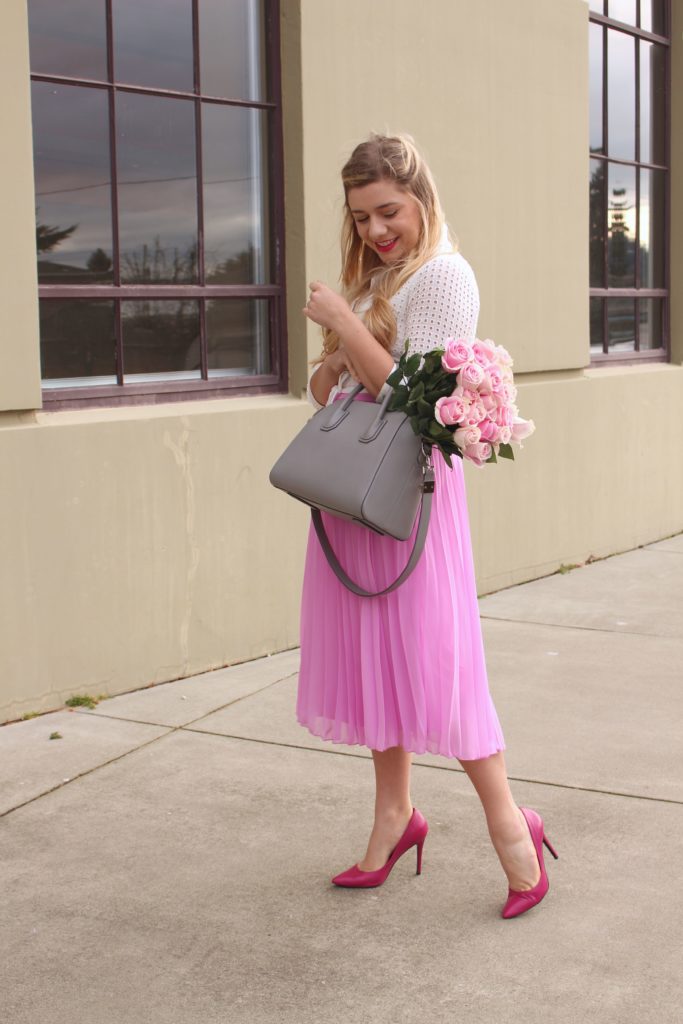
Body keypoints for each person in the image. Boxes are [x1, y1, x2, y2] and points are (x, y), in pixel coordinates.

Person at [297, 133, 557, 918]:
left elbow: (413, 400)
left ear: (420, 200)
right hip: (354, 495)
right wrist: (340, 343)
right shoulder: (375, 276)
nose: (377, 230)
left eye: (388, 211)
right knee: (378, 662)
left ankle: (511, 828)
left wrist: (347, 323)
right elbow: (322, 393)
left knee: (437, 662)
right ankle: (392, 818)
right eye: (361, 217)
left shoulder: (443, 274)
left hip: (410, 494)